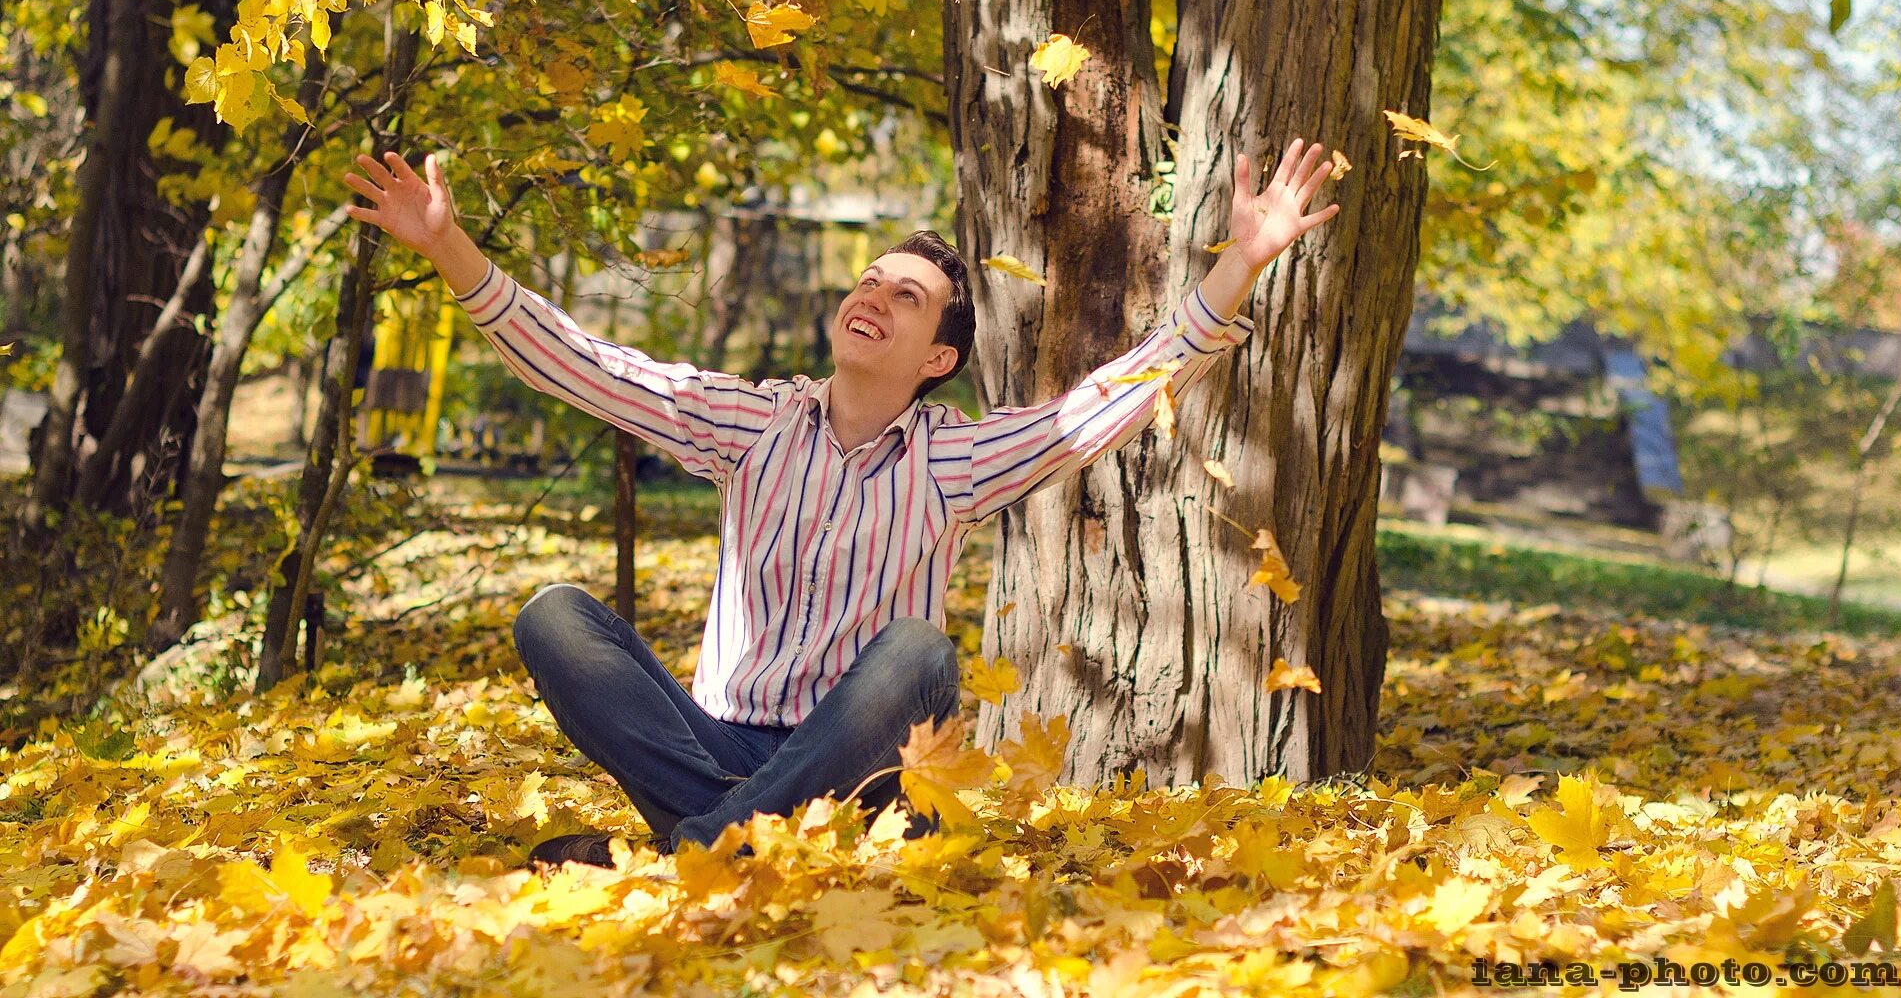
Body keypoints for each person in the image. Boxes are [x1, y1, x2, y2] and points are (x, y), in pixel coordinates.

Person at [341, 140, 1340, 866]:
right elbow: (591, 368)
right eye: (870, 281)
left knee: (920, 652)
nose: (874, 296)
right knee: (554, 615)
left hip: (864, 773)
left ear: (937, 357)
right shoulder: (751, 423)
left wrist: (1240, 263)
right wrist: (450, 246)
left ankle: (688, 850)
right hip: (721, 742)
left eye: (907, 296)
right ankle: (733, 841)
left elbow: (1103, 405)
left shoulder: (954, 459)